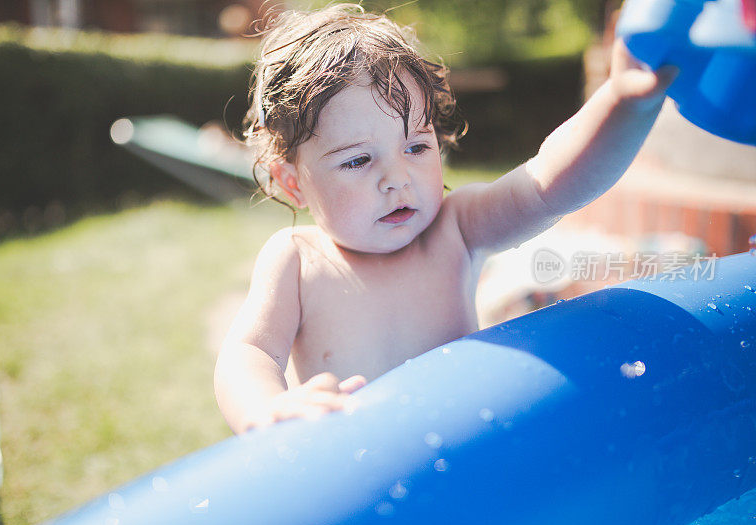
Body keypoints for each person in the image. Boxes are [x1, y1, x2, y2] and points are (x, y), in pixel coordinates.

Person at [214, 4, 676, 434]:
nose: (398, 179)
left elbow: (548, 185)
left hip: (460, 463)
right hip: (357, 479)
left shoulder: (455, 230)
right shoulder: (297, 261)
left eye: (416, 147)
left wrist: (621, 101)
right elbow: (248, 353)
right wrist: (267, 409)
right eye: (358, 161)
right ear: (293, 182)